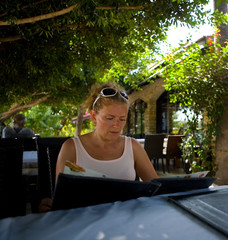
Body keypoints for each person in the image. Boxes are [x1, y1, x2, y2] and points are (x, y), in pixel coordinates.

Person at [39, 82, 158, 212]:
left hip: (125, 220)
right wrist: (49, 206)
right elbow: (61, 199)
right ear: (94, 117)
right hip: (84, 222)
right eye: (110, 118)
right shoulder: (72, 148)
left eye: (122, 119)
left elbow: (158, 188)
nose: (116, 125)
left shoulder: (133, 147)